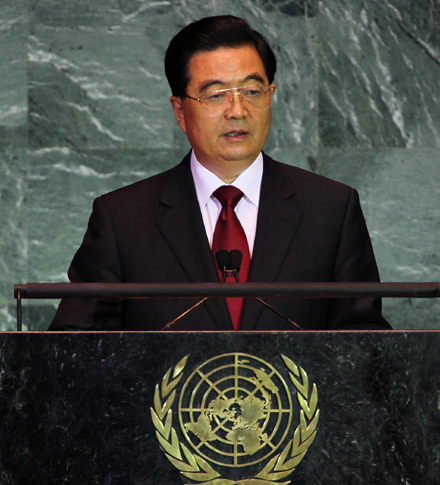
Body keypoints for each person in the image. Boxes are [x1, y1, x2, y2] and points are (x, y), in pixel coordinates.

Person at [49, 15, 391, 331]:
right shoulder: (122, 219)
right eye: (216, 95)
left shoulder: (331, 209)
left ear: (271, 95)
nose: (238, 111)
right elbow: (73, 349)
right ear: (180, 111)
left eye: (252, 91)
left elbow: (365, 343)